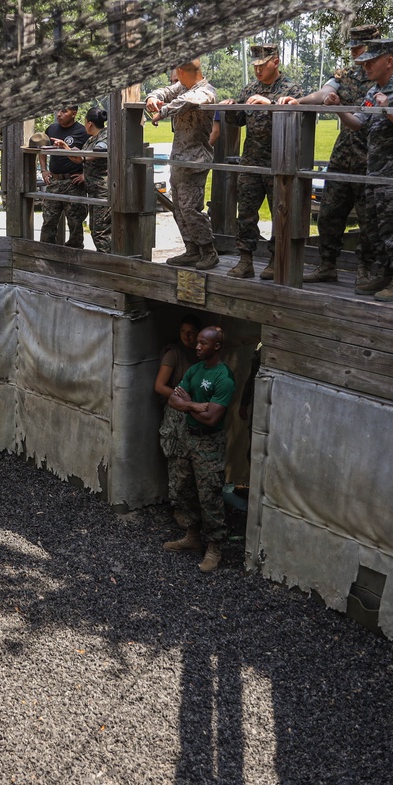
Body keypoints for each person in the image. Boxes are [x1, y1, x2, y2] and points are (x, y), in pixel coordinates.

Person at [279, 25, 378, 288]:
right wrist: (299, 102)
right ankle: (327, 266)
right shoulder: (344, 76)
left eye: (359, 47)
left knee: (369, 218)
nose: (355, 53)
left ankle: (365, 270)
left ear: (374, 47)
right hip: (343, 155)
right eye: (353, 49)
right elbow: (323, 93)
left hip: (371, 159)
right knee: (329, 213)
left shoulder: (384, 77)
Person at [338, 39, 393, 302]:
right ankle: (385, 275)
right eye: (364, 62)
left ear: (388, 61)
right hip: (375, 173)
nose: (366, 66)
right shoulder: (373, 92)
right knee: (376, 228)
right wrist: (341, 109)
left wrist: (387, 110)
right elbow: (358, 123)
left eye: (371, 61)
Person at [220, 45, 302, 280]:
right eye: (254, 65)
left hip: (279, 163)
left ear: (275, 62)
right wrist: (231, 108)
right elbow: (238, 121)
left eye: (262, 65)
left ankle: (277, 261)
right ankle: (245, 260)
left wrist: (270, 104)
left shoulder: (290, 88)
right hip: (252, 162)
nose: (257, 70)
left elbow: (297, 116)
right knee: (245, 212)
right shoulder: (250, 89)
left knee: (280, 212)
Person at [163, 326, 235, 572]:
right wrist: (194, 405)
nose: (197, 346)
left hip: (208, 444)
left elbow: (212, 418)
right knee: (184, 488)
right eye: (198, 342)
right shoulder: (194, 370)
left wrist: (186, 404)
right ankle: (193, 537)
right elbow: (173, 400)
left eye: (203, 343)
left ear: (216, 347)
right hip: (186, 439)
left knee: (209, 494)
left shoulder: (223, 378)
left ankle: (214, 546)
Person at [146, 59, 220, 270]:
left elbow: (188, 101)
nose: (175, 80)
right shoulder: (183, 87)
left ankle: (208, 251)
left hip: (195, 160)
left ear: (180, 71)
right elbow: (166, 91)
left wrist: (163, 110)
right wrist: (153, 98)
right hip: (178, 158)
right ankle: (191, 249)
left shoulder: (205, 92)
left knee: (191, 209)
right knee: (178, 208)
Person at [155, 314, 202, 527]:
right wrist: (180, 398)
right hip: (177, 414)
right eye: (183, 331)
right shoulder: (174, 353)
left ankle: (194, 505)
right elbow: (159, 385)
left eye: (191, 332)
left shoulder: (202, 354)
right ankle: (178, 506)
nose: (187, 336)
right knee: (177, 461)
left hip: (197, 413)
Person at [53, 106, 110, 252]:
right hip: (94, 191)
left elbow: (98, 152)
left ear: (89, 123)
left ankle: (109, 264)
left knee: (101, 231)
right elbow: (80, 159)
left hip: (103, 192)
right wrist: (69, 150)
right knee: (95, 228)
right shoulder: (91, 139)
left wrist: (75, 152)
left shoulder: (104, 138)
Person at [39, 105, 89, 247]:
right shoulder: (51, 129)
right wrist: (43, 170)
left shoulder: (82, 132)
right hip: (54, 182)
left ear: (74, 113)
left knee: (75, 223)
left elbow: (93, 156)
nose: (59, 114)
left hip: (73, 183)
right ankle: (47, 253)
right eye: (57, 111)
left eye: (63, 111)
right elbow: (42, 150)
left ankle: (74, 255)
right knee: (48, 221)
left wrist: (85, 174)